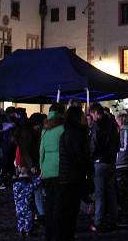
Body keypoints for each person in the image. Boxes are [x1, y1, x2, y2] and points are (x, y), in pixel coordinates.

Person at [57, 106, 90, 240]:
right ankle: (68, 235)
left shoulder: (66, 132)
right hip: (73, 175)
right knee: (71, 209)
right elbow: (79, 155)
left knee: (68, 208)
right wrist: (88, 168)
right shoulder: (76, 133)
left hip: (65, 174)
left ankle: (67, 234)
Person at [88, 102, 120, 233]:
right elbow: (118, 143)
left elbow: (94, 145)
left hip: (100, 162)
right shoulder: (112, 123)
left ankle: (98, 221)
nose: (92, 117)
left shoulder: (97, 126)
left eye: (92, 114)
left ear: (96, 113)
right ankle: (113, 219)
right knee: (111, 192)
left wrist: (91, 157)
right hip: (111, 161)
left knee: (100, 194)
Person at [39, 103, 65, 241]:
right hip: (59, 168)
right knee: (59, 203)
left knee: (49, 202)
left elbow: (41, 151)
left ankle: (49, 232)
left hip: (47, 169)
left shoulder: (45, 129)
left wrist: (41, 168)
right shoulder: (62, 128)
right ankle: (58, 231)